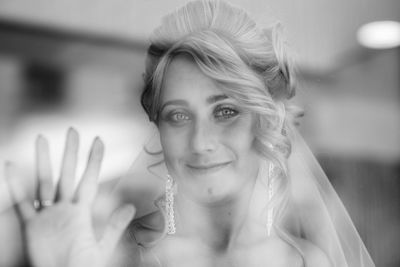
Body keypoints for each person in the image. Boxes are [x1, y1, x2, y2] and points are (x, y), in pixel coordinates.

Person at [1, 0, 375, 266]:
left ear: (267, 120)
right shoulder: (119, 257)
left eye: (225, 111)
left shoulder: (307, 262)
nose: (199, 143)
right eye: (178, 116)